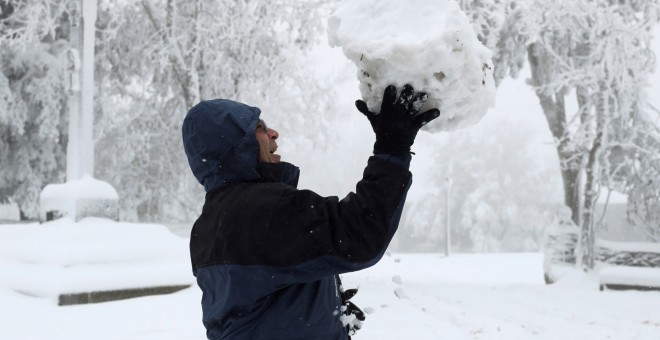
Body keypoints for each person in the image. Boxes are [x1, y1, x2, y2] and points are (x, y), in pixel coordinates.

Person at [182, 85, 440, 339]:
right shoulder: (263, 208)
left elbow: (254, 297)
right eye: (259, 128)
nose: (274, 133)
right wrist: (392, 151)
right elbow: (359, 233)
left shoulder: (206, 227)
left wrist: (321, 309)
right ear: (234, 147)